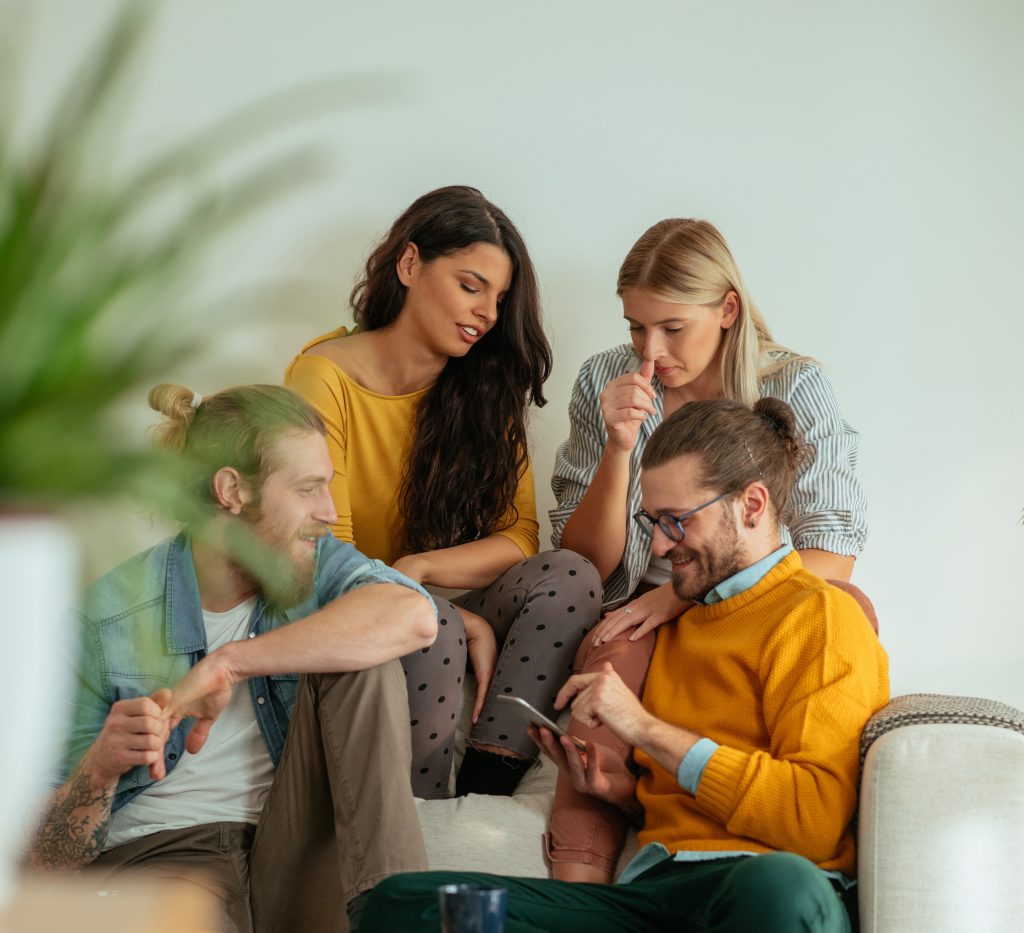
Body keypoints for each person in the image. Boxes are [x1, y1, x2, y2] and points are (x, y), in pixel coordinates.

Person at [360, 397, 890, 933]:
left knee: (782, 887)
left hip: (758, 896)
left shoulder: (821, 618)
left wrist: (642, 727)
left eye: (675, 523)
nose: (659, 546)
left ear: (751, 506)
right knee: (405, 905)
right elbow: (686, 804)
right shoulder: (674, 627)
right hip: (651, 903)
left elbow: (814, 821)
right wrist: (618, 790)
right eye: (652, 522)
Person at [31, 383, 439, 933]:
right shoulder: (103, 623)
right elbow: (42, 864)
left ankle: (398, 916)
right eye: (308, 489)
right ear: (231, 490)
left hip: (294, 848)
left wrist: (230, 662)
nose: (330, 511)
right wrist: (100, 768)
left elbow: (413, 616)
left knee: (367, 661)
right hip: (166, 857)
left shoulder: (319, 562)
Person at [547, 218, 870, 879]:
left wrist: (681, 596)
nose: (650, 349)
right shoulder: (607, 381)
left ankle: (796, 838)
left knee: (849, 607)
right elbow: (589, 563)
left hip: (754, 591)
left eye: (671, 327)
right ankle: (583, 886)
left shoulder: (793, 384)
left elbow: (831, 547)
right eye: (636, 326)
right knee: (615, 650)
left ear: (727, 310)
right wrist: (617, 448)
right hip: (640, 597)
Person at [285, 185, 601, 797]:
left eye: (499, 298)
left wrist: (422, 567)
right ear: (409, 265)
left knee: (570, 575)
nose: (486, 311)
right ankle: (423, 809)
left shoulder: (486, 387)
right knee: (433, 622)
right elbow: (325, 550)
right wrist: (439, 605)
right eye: (470, 284)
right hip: (356, 600)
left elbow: (520, 536)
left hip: (429, 587)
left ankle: (488, 782)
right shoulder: (323, 378)